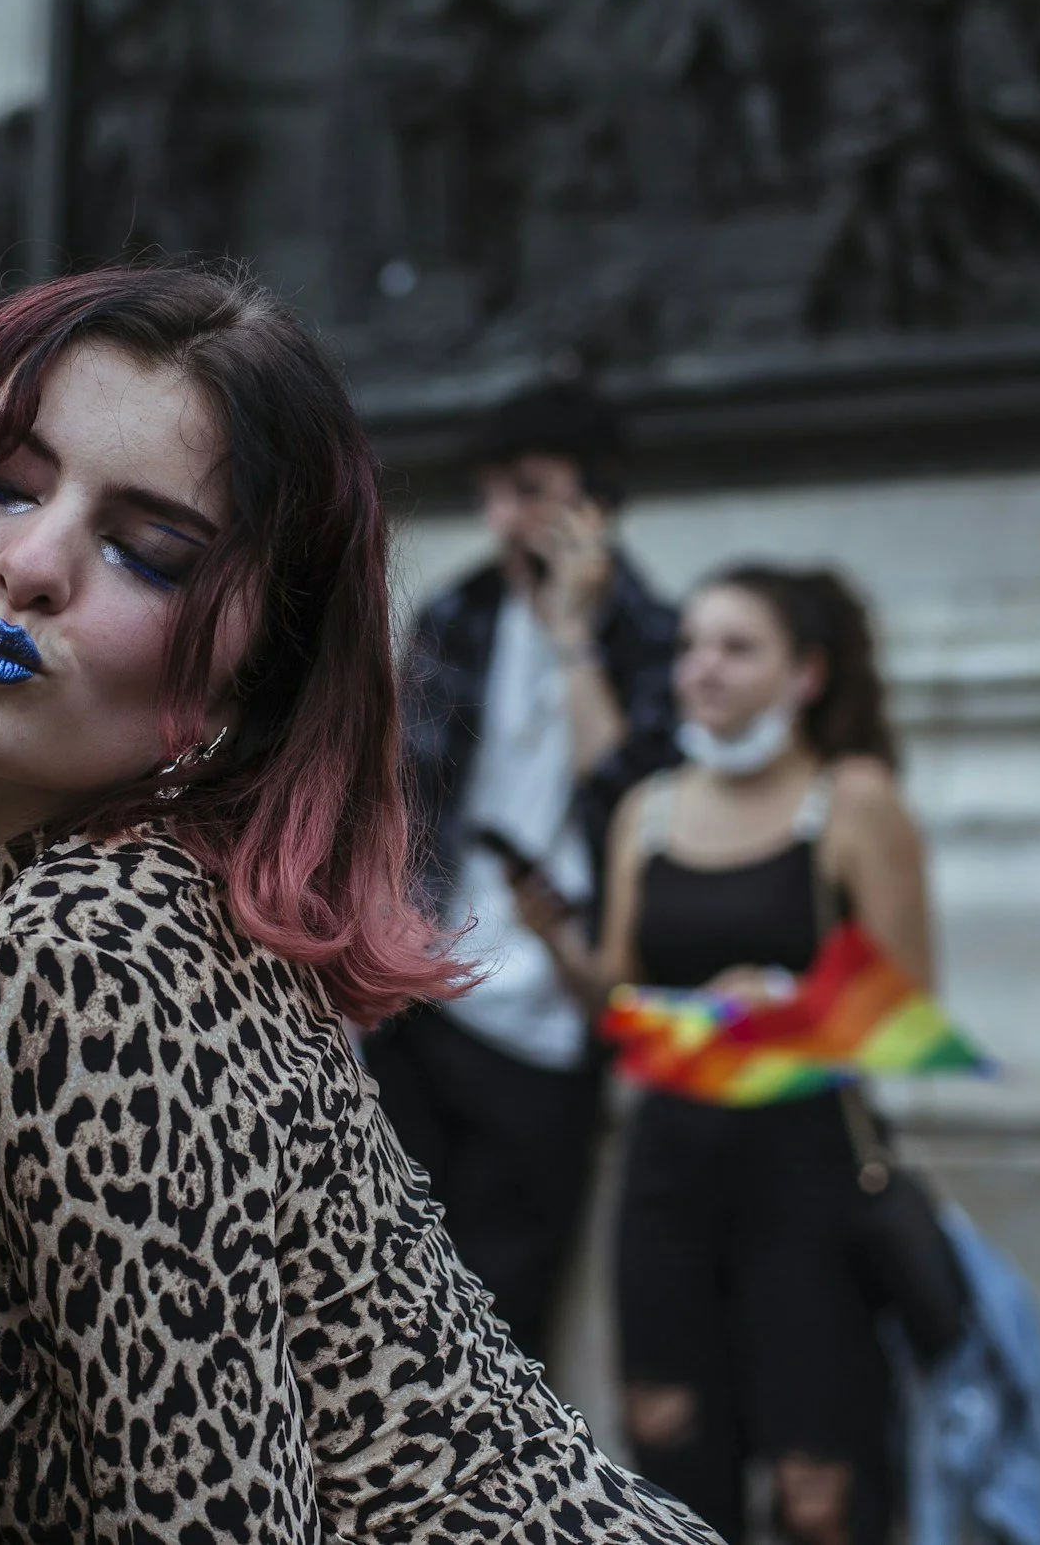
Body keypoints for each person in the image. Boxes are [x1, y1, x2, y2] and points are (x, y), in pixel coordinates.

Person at [0, 266, 721, 1543]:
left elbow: (205, 1517)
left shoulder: (83, 939)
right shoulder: (147, 899)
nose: (31, 565)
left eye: (150, 550)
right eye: (1, 479)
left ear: (247, 674)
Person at [524, 563, 932, 1545]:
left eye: (735, 647)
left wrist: (785, 1008)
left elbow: (910, 1007)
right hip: (668, 1170)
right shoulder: (648, 810)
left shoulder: (850, 800)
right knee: (668, 1450)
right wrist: (554, 941)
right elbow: (623, 1002)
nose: (700, 669)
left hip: (803, 1182)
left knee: (816, 1489)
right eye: (690, 645)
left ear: (807, 673)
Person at [363, 381, 678, 1360]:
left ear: (594, 496)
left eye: (532, 489)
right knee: (387, 1297)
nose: (505, 516)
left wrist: (574, 634)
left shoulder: (651, 635)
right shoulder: (455, 613)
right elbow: (397, 798)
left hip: (554, 1007)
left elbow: (641, 802)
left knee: (508, 1316)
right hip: (427, 995)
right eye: (492, 491)